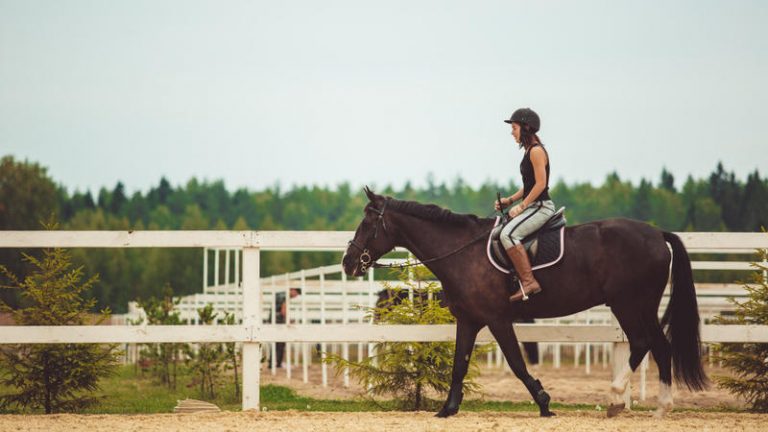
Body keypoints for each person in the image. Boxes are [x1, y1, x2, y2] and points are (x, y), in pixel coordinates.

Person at [494, 108, 556, 302]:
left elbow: (541, 184)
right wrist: (510, 200)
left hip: (540, 207)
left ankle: (529, 282)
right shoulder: (530, 151)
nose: (512, 132)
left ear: (526, 128)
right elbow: (528, 186)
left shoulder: (536, 151)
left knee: (508, 234)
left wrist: (522, 206)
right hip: (533, 205)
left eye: (514, 127)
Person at [272, 287, 301, 368]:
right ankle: (277, 363)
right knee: (280, 343)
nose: (295, 296)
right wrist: (289, 320)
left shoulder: (280, 295)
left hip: (275, 321)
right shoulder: (284, 296)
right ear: (292, 290)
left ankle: (274, 363)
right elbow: (283, 310)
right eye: (296, 293)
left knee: (276, 342)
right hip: (279, 322)